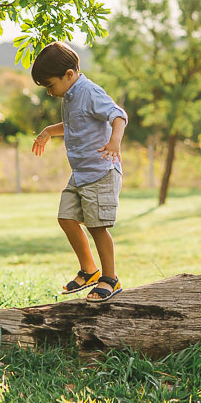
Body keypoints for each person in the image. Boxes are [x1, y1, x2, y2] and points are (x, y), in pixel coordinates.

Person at [30, 42, 128, 303]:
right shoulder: (71, 95)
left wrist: (115, 141)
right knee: (66, 218)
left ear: (69, 75)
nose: (50, 92)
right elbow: (75, 123)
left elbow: (118, 115)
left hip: (100, 171)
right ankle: (89, 269)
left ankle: (110, 278)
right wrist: (50, 131)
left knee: (97, 226)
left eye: (50, 85)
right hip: (81, 173)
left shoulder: (90, 91)